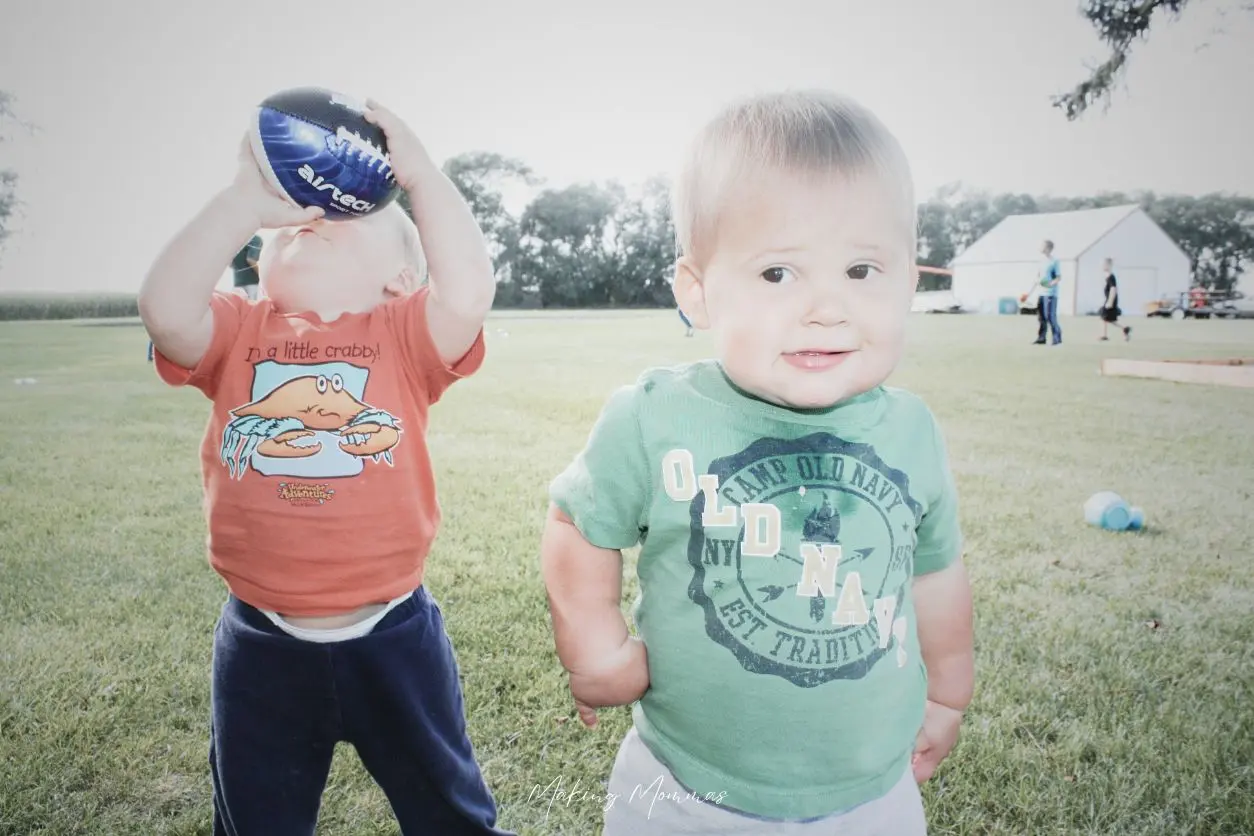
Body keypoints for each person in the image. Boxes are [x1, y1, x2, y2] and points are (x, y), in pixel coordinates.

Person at [541, 90, 974, 835]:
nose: (827, 307)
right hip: (680, 787)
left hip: (872, 792)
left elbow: (935, 573)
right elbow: (579, 524)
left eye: (863, 270)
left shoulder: (911, 430)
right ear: (699, 292)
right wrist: (596, 645)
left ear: (910, 277)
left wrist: (948, 693)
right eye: (779, 274)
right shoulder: (654, 417)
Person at [138, 99, 510, 836]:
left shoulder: (404, 334)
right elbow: (165, 309)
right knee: (257, 819)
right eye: (291, 226)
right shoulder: (240, 329)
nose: (312, 217)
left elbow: (466, 290)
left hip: (394, 634)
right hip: (260, 642)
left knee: (449, 812)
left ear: (404, 280)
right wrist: (245, 200)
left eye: (340, 216)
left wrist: (423, 179)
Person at [1023, 239, 1062, 345]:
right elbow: (1037, 278)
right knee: (1041, 317)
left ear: (1048, 248)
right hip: (1041, 294)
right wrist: (1028, 294)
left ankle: (1057, 339)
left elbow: (1058, 278)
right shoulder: (1041, 261)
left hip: (1051, 294)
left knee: (1050, 317)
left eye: (1043, 246)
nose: (1040, 247)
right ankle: (1041, 338)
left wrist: (1050, 284)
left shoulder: (1054, 262)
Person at [1098, 257, 1131, 341]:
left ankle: (1106, 335)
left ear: (1108, 265)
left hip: (1111, 300)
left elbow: (1113, 289)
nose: (1102, 266)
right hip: (1109, 299)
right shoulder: (1108, 277)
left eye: (1103, 264)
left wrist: (1110, 302)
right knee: (1107, 318)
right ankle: (1124, 329)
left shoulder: (1111, 277)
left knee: (1105, 317)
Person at [232, 233, 264, 300]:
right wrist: (262, 276)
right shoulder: (255, 239)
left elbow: (230, 262)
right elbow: (251, 260)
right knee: (254, 307)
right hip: (252, 282)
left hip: (238, 282)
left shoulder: (235, 240)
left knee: (240, 308)